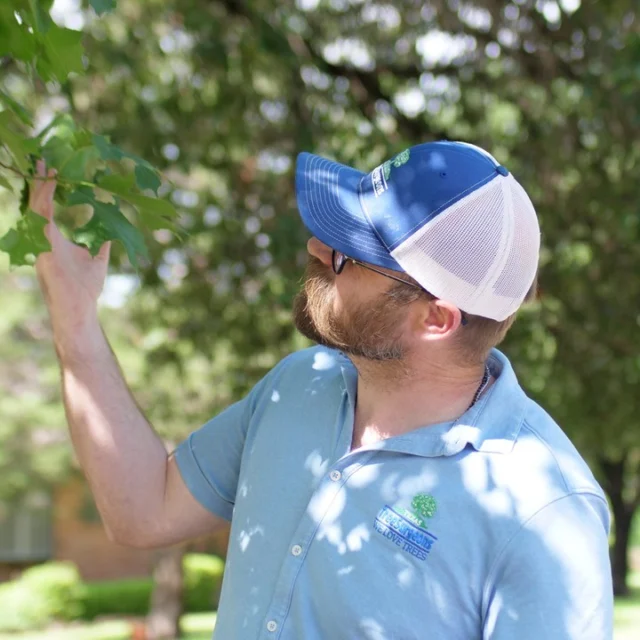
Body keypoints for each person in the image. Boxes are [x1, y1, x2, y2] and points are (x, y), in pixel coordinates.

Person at [32, 141, 613, 640]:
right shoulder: (299, 384)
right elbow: (141, 512)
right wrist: (75, 319)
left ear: (436, 319)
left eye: (346, 254)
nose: (314, 247)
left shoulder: (545, 514)